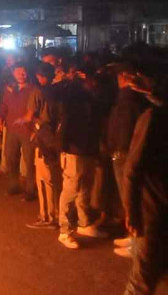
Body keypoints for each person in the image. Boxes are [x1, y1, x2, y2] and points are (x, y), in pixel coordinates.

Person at [56, 66, 107, 249]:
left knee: (85, 187)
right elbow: (62, 113)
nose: (94, 82)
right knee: (71, 189)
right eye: (90, 78)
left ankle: (84, 223)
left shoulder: (93, 97)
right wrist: (68, 80)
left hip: (88, 149)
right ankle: (65, 230)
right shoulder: (72, 95)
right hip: (74, 150)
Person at [120, 105, 168, 295]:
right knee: (142, 282)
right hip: (153, 214)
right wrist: (131, 211)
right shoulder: (155, 117)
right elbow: (132, 168)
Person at [106, 65, 148, 257]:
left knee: (131, 198)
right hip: (121, 152)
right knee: (127, 197)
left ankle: (137, 242)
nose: (118, 79)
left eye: (121, 76)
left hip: (124, 154)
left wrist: (119, 149)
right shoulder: (124, 98)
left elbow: (125, 128)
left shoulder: (129, 100)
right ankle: (132, 236)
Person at [25, 63, 62, 229]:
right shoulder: (60, 92)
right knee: (56, 177)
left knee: (44, 177)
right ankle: (59, 213)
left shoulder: (37, 92)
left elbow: (29, 117)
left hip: (43, 137)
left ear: (39, 76)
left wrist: (30, 128)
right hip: (58, 137)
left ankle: (48, 217)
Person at [0, 64, 36, 200]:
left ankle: (31, 190)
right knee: (10, 158)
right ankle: (14, 185)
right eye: (18, 72)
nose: (21, 75)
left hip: (27, 130)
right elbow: (4, 105)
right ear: (13, 73)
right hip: (12, 129)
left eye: (24, 72)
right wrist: (0, 117)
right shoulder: (9, 88)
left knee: (30, 161)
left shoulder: (33, 89)